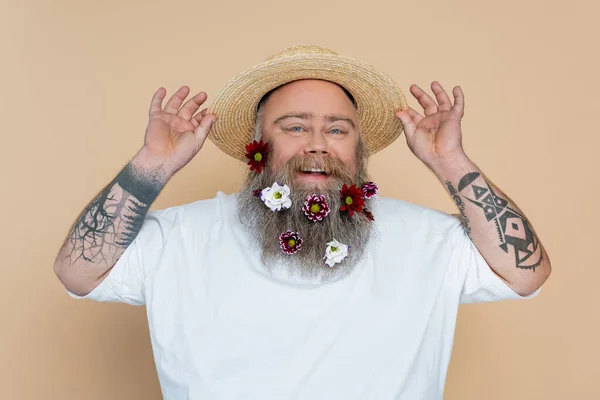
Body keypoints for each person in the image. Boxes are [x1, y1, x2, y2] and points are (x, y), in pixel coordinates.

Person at [54, 45, 551, 399]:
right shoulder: (181, 236)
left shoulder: (428, 239)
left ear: (358, 150)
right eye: (294, 127)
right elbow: (78, 271)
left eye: (337, 129)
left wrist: (450, 162)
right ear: (257, 143)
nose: (318, 144)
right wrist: (150, 166)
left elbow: (526, 272)